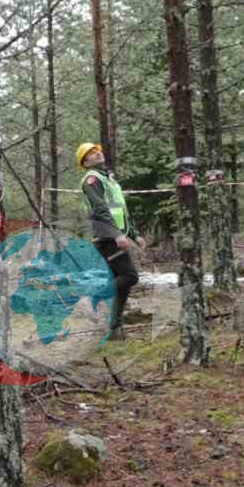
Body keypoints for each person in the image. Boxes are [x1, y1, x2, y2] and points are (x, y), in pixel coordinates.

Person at [77, 141, 145, 339]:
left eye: (97, 150)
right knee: (130, 276)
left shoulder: (109, 181)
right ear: (85, 162)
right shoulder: (91, 179)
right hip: (106, 237)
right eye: (91, 153)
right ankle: (93, 297)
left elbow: (120, 211)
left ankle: (114, 329)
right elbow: (100, 209)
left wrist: (134, 234)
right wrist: (116, 234)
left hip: (115, 235)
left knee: (122, 284)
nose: (97, 153)